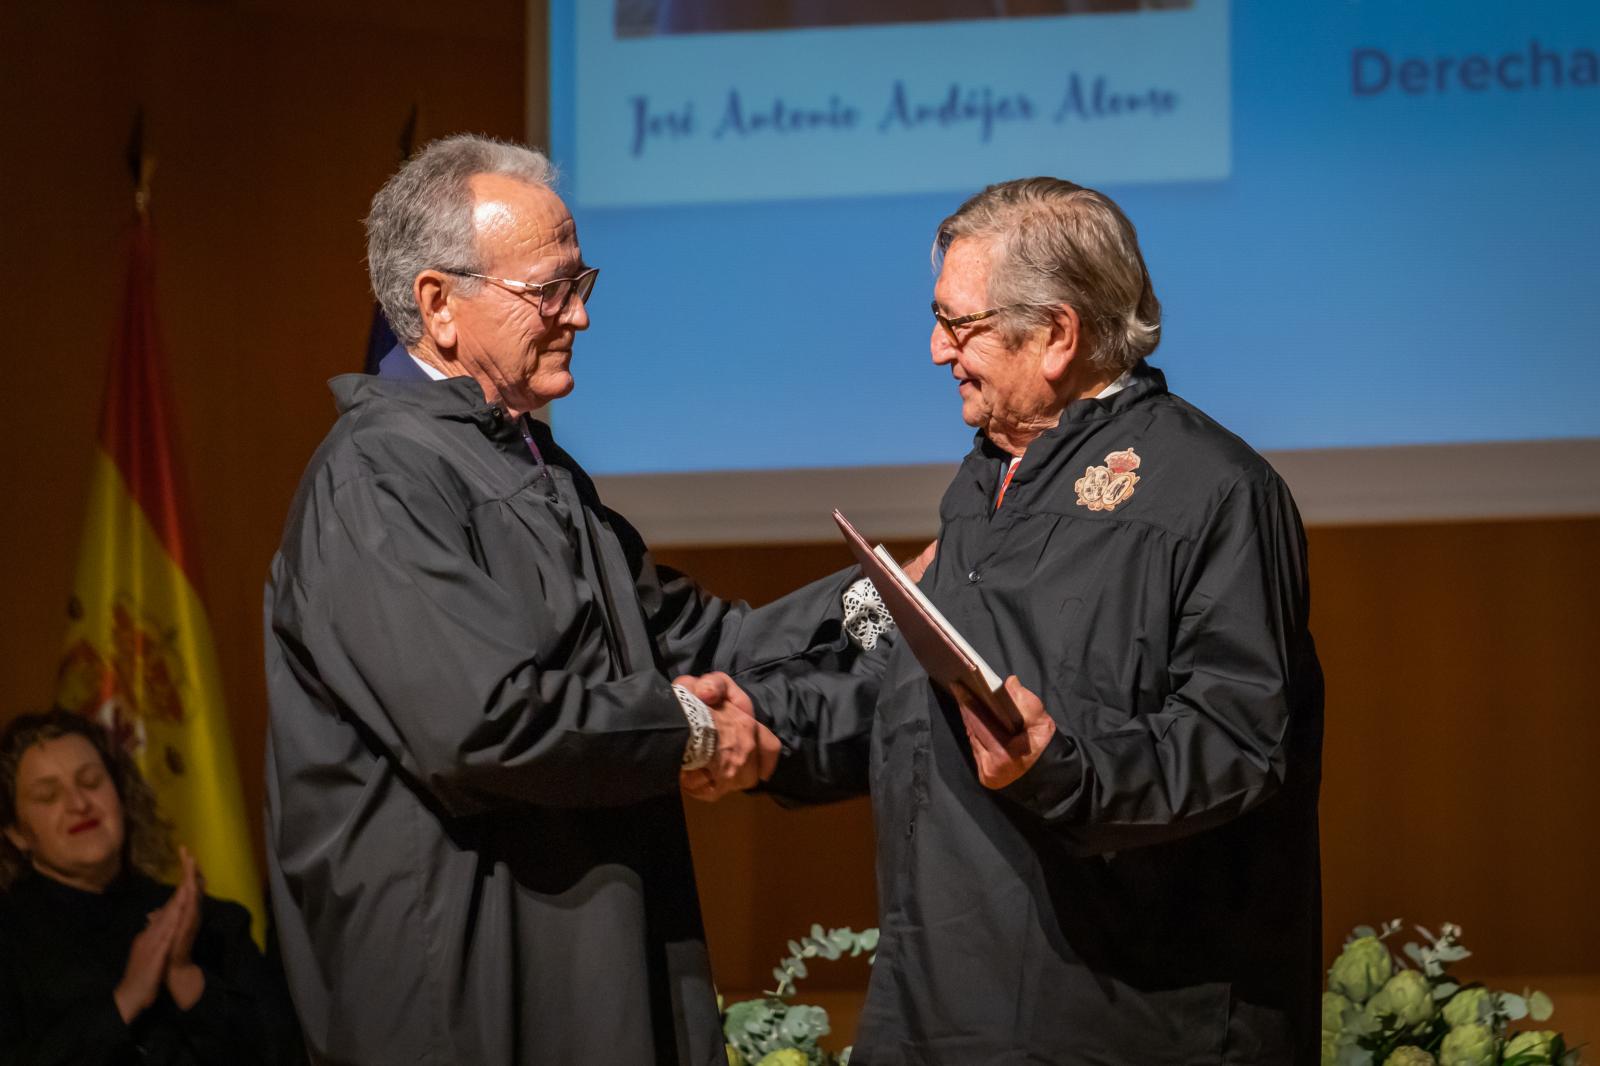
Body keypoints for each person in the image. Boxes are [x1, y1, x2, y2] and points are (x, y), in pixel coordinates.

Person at [263, 133, 876, 1065]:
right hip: (466, 984)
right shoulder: (378, 479)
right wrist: (693, 734)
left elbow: (700, 638)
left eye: (579, 281)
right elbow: (482, 722)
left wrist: (885, 597)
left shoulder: (528, 467)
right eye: (549, 290)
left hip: (582, 954)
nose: (579, 316)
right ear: (438, 305)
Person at [732, 178, 1325, 1063]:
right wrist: (774, 739)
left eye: (958, 323)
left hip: (1125, 1021)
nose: (937, 350)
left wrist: (1064, 771)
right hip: (944, 1005)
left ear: (1056, 334)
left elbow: (1242, 744)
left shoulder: (1212, 492)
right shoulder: (988, 479)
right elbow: (926, 711)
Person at [0, 709, 302, 1066]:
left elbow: (282, 1053)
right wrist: (126, 1000)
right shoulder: (9, 941)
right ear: (16, 833)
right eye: (48, 796)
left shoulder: (208, 921)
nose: (79, 804)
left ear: (121, 795)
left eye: (92, 781)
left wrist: (185, 975)